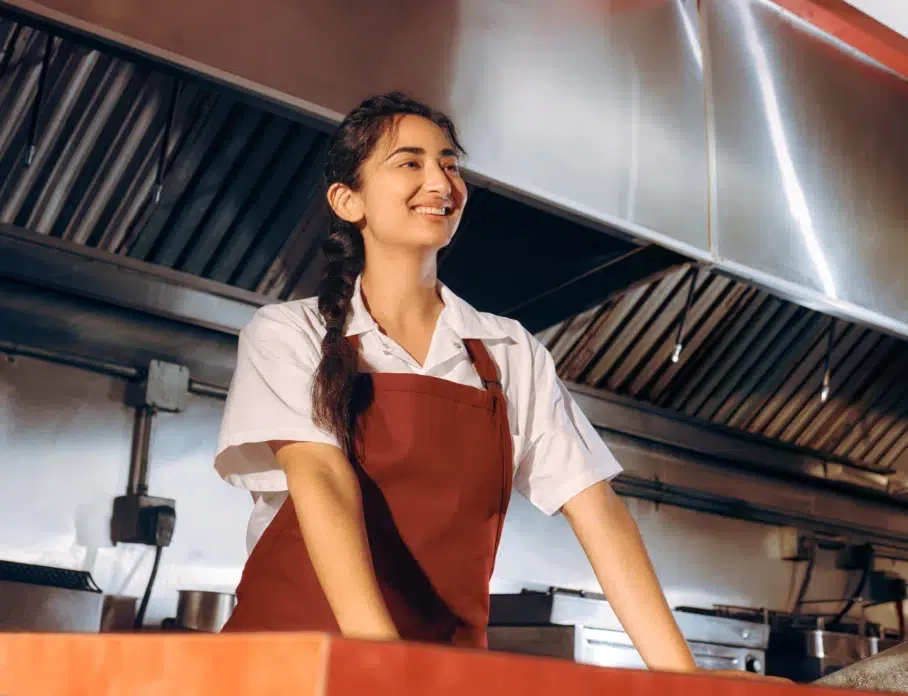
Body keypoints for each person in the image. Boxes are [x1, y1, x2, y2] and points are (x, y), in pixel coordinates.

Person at [213, 92, 781, 680]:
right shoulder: (288, 333)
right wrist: (382, 662)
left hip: (435, 679)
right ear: (347, 200)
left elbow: (599, 515)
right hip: (286, 672)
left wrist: (683, 681)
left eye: (450, 164)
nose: (440, 180)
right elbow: (322, 480)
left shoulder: (510, 352)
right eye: (410, 163)